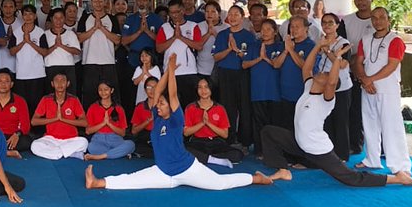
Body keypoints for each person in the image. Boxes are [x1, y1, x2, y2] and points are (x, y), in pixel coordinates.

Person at [85, 55, 275, 192]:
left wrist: (172, 72)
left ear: (171, 106)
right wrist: (167, 71)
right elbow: (158, 92)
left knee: (219, 184)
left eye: (162, 104)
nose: (158, 105)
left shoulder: (176, 120)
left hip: (187, 168)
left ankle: (256, 178)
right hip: (163, 172)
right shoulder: (158, 118)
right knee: (132, 180)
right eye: (158, 104)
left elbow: (172, 94)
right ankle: (97, 182)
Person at [259, 34, 412, 187]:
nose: (322, 73)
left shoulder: (325, 100)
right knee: (269, 132)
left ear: (328, 85)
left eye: (326, 74)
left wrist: (338, 58)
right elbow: (306, 68)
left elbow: (333, 81)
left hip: (317, 149)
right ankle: (283, 170)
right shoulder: (308, 87)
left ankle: (397, 179)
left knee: (351, 178)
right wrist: (319, 46)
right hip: (299, 143)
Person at [355, 7, 412, 176]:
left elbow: (392, 65)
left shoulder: (395, 41)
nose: (377, 21)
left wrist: (368, 80)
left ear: (389, 20)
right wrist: (364, 79)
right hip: (368, 88)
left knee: (391, 126)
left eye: (381, 17)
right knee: (369, 124)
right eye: (374, 18)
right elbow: (358, 62)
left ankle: (400, 165)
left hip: (387, 89)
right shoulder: (365, 39)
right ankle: (372, 159)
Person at [212, 4, 256, 146]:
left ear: (243, 17)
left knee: (244, 107)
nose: (232, 17)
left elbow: (249, 58)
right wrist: (229, 49)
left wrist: (236, 49)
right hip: (225, 74)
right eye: (230, 14)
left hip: (242, 73)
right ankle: (228, 139)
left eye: (236, 14)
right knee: (227, 107)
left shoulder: (249, 36)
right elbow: (216, 57)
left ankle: (245, 141)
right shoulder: (222, 35)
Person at [243, 18, 284, 158]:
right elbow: (244, 64)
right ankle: (260, 150)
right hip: (258, 91)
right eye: (263, 29)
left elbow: (277, 64)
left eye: (268, 29)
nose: (265, 32)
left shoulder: (281, 46)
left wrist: (265, 58)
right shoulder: (254, 45)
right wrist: (259, 59)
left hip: (275, 91)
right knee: (259, 122)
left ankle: (275, 151)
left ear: (275, 31)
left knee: (275, 123)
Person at [341, 0, 375, 155]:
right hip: (352, 71)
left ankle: (381, 147)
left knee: (376, 109)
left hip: (375, 72)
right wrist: (353, 64)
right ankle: (355, 143)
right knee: (354, 109)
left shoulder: (378, 19)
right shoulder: (347, 21)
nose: (360, 1)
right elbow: (343, 47)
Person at [315, 13, 353, 159]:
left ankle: (342, 155)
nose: (327, 25)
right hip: (323, 85)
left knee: (340, 120)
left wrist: (327, 51)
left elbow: (343, 65)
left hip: (341, 88)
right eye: (324, 22)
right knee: (326, 120)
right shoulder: (320, 40)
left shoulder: (344, 43)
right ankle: (327, 153)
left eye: (331, 23)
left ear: (337, 25)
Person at [183, 77, 243, 166]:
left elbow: (225, 134)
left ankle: (205, 158)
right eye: (200, 87)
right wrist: (202, 123)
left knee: (238, 154)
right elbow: (186, 133)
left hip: (216, 142)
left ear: (211, 88)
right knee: (182, 150)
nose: (203, 90)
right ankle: (214, 159)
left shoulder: (219, 108)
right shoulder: (190, 107)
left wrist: (208, 123)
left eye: (206, 87)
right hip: (198, 142)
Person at [30, 72, 88, 160]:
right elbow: (34, 121)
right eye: (57, 81)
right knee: (34, 146)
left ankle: (55, 153)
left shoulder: (74, 99)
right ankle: (68, 153)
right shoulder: (46, 99)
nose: (60, 84)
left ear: (68, 83)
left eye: (63, 81)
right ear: (52, 84)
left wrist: (63, 119)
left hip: (70, 139)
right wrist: (55, 119)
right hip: (51, 139)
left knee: (84, 142)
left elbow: (84, 123)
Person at [77, 0, 119, 107]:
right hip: (89, 62)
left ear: (105, 1)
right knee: (90, 94)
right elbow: (79, 38)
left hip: (108, 62)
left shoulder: (112, 19)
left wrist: (102, 28)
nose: (98, 2)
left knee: (111, 94)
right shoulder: (85, 18)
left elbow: (117, 40)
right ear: (91, 2)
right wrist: (94, 28)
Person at [156, 0, 201, 108]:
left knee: (190, 105)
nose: (175, 15)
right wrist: (174, 37)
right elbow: (159, 48)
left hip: (189, 71)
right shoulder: (164, 27)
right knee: (172, 105)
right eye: (172, 12)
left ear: (183, 11)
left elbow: (199, 46)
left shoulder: (193, 26)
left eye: (177, 11)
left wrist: (181, 37)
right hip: (170, 72)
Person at [120, 0, 162, 105]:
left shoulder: (157, 19)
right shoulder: (130, 19)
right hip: (134, 58)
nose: (141, 3)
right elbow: (123, 41)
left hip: (152, 60)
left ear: (149, 2)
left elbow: (161, 41)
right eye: (138, 0)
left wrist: (147, 31)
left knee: (152, 88)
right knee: (131, 91)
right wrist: (139, 31)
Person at [278, 16, 317, 131]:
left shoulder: (311, 46)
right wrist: (286, 49)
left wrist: (291, 50)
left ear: (306, 29)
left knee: (301, 127)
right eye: (292, 27)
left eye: (297, 27)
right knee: (287, 127)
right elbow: (276, 64)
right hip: (285, 93)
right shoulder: (285, 44)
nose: (293, 30)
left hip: (301, 94)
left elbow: (306, 67)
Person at [83, 81, 135, 161]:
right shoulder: (93, 107)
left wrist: (109, 124)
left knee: (131, 144)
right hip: (99, 138)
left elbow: (122, 133)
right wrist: (103, 123)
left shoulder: (119, 108)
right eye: (100, 90)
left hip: (115, 139)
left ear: (112, 90)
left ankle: (101, 156)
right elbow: (88, 131)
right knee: (91, 146)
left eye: (106, 89)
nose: (103, 92)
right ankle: (118, 154)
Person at [9, 5, 48, 107]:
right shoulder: (16, 32)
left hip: (38, 74)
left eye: (30, 14)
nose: (28, 17)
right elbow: (12, 52)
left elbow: (45, 52)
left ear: (35, 16)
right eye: (25, 14)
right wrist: (23, 41)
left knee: (37, 104)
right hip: (21, 74)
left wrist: (30, 42)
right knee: (22, 104)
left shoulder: (40, 32)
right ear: (22, 16)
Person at [42, 8, 80, 94]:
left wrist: (62, 45)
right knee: (51, 94)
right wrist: (55, 46)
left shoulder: (70, 34)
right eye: (56, 18)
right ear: (51, 19)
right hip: (50, 66)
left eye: (61, 18)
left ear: (65, 19)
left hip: (68, 67)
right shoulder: (45, 34)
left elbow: (77, 51)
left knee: (70, 94)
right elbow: (43, 52)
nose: (58, 21)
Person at [130, 76, 158, 158]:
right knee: (135, 145)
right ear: (145, 90)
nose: (152, 90)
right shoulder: (140, 106)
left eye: (155, 87)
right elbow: (134, 131)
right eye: (149, 87)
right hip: (145, 136)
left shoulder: (164, 105)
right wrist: (148, 121)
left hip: (160, 135)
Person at [0, 0, 20, 75]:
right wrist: (6, 38)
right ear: (1, 8)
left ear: (15, 8)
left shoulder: (21, 24)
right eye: (5, 7)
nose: (8, 10)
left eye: (11, 7)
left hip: (16, 66)